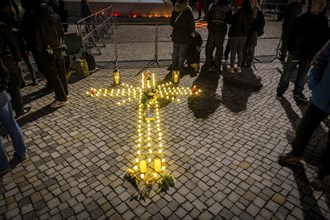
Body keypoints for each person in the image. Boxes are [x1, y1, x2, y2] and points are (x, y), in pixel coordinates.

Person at [278, 40, 330, 191]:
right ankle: (296, 153)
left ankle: (322, 173)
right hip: (323, 94)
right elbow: (319, 59)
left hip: (323, 94)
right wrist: (314, 82)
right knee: (305, 126)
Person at [275, 0, 328, 102]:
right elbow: (291, 34)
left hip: (309, 53)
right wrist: (291, 49)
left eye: (323, 3)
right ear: (313, 4)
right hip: (296, 51)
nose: (322, 5)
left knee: (303, 74)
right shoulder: (301, 18)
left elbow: (323, 38)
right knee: (287, 72)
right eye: (319, 2)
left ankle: (298, 92)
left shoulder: (323, 20)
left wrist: (316, 51)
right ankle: (280, 91)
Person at [21, 0, 68, 108]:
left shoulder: (38, 19)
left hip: (46, 49)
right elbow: (61, 32)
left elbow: (37, 37)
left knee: (53, 74)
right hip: (57, 47)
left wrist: (37, 50)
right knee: (61, 71)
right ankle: (65, 93)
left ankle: (61, 98)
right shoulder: (55, 16)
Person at [0, 42, 28, 176]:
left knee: (10, 122)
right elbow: (4, 72)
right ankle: (22, 153)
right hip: (0, 94)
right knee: (11, 123)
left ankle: (2, 165)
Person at [202, 0, 232, 73]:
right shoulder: (227, 8)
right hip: (221, 31)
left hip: (212, 30)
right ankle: (217, 68)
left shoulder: (213, 6)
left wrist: (210, 27)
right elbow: (230, 20)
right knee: (219, 50)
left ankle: (207, 65)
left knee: (209, 49)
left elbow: (208, 18)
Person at [227, 0, 255, 73]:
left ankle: (232, 67)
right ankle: (239, 67)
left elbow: (232, 20)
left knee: (233, 50)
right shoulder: (250, 13)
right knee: (240, 50)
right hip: (244, 35)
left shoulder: (239, 12)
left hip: (235, 34)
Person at [170, 0, 195, 74]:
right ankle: (180, 67)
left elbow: (171, 23)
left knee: (175, 52)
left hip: (176, 34)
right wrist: (192, 32)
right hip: (185, 35)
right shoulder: (187, 11)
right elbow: (192, 24)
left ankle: (174, 66)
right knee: (182, 53)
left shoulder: (175, 10)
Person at [242, 0, 265, 67]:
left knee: (251, 47)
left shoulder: (258, 11)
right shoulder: (246, 10)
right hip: (246, 31)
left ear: (255, 3)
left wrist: (257, 28)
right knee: (244, 46)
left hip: (254, 31)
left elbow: (262, 22)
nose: (252, 3)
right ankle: (243, 60)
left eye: (253, 2)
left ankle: (249, 62)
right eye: (251, 2)